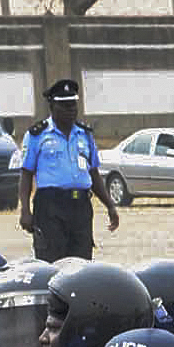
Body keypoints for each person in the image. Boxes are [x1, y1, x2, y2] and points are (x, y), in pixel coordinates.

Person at [16, 79, 119, 263]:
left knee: (81, 263)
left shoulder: (85, 134)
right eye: (64, 105)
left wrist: (109, 205)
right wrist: (25, 209)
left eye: (73, 105)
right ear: (52, 106)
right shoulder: (37, 135)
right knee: (52, 261)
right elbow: (26, 174)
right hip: (50, 206)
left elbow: (93, 172)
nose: (70, 109)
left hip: (80, 206)